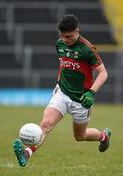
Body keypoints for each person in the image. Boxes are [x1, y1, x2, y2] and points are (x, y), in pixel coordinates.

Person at [13, 14, 112, 167]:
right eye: (62, 35)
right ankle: (26, 154)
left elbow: (103, 73)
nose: (65, 39)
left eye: (68, 36)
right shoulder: (60, 44)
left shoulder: (87, 49)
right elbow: (64, 66)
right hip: (62, 93)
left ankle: (104, 137)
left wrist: (91, 92)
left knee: (80, 136)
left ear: (77, 31)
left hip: (81, 99)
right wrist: (60, 83)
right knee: (45, 125)